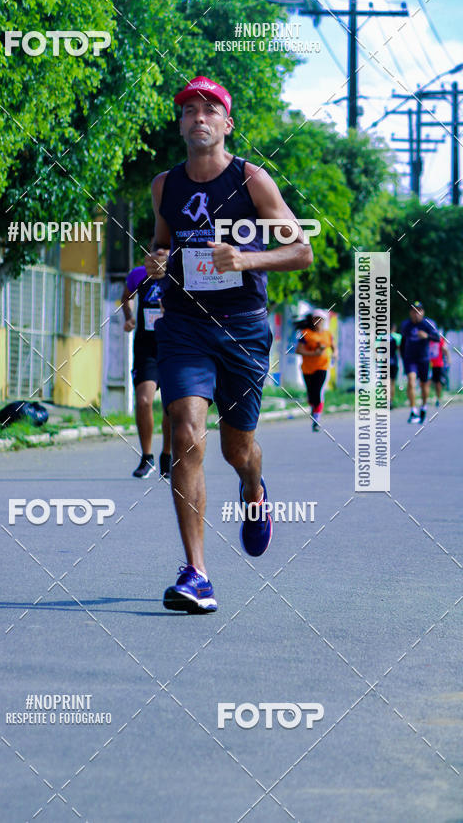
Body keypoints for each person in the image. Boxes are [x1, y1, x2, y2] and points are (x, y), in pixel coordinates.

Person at [144, 75, 313, 614]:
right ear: (180, 125)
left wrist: (246, 259)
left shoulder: (251, 179)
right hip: (184, 326)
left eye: (209, 109)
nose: (198, 117)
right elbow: (161, 244)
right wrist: (157, 261)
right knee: (186, 432)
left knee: (236, 448)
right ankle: (196, 573)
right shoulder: (163, 186)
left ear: (226, 124)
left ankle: (255, 490)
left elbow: (301, 251)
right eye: (189, 110)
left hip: (241, 327)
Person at [121, 265, 172, 478]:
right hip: (146, 348)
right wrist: (129, 316)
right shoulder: (138, 274)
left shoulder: (180, 272)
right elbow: (126, 297)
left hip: (172, 345)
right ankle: (147, 456)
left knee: (171, 406)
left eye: (164, 248)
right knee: (143, 401)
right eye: (156, 247)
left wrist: (170, 310)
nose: (159, 252)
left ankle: (167, 457)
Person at [399, 301, 440, 424]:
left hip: (423, 359)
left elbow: (437, 338)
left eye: (418, 310)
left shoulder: (429, 323)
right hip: (410, 358)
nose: (416, 313)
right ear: (410, 312)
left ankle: (424, 407)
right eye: (413, 310)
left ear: (423, 312)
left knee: (424, 385)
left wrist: (427, 336)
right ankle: (413, 410)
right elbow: (403, 342)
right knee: (411, 382)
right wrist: (403, 357)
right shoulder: (406, 325)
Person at [295, 311, 334, 431]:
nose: (318, 321)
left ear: (324, 321)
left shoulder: (327, 334)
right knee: (311, 394)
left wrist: (335, 354)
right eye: (315, 319)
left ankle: (316, 419)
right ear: (312, 320)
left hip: (322, 367)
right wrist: (314, 353)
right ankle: (314, 407)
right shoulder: (305, 334)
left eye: (320, 319)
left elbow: (333, 346)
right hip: (307, 368)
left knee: (318, 392)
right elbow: (298, 350)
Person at [429, 331, 450, 406]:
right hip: (429, 364)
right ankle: (431, 398)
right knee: (430, 382)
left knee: (437, 382)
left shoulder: (439, 339)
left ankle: (438, 398)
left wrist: (448, 360)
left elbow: (445, 350)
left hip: (437, 363)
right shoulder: (428, 339)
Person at [389, 323, 401, 408]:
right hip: (394, 362)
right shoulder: (398, 337)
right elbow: (399, 349)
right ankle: (391, 401)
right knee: (392, 382)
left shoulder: (380, 337)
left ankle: (386, 400)